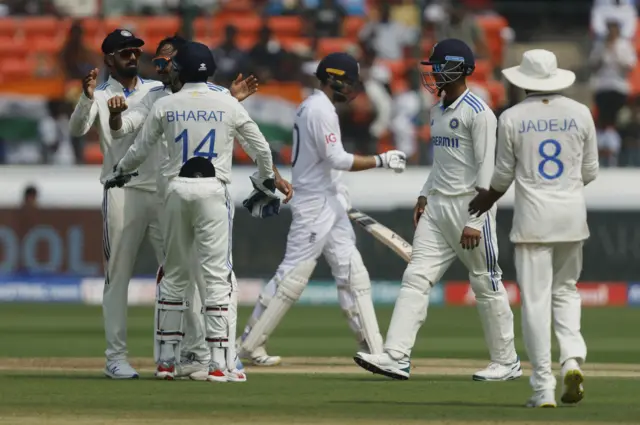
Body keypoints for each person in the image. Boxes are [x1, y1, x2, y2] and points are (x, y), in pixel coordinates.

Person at [107, 35, 292, 380]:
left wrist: (119, 173)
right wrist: (267, 179)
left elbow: (139, 149)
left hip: (175, 191)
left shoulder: (166, 104)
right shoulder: (227, 102)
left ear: (180, 69)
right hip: (213, 192)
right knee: (217, 277)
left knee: (174, 276)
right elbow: (262, 149)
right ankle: (220, 366)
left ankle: (165, 363)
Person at [354, 39, 520, 382]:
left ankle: (507, 362)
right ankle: (396, 356)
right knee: (416, 277)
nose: (434, 74)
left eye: (440, 67)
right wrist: (425, 193)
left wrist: (476, 219)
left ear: (460, 69)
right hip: (438, 208)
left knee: (486, 284)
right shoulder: (437, 111)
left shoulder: (479, 112)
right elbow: (442, 163)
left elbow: (487, 169)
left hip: (470, 209)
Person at [237, 52, 407, 366]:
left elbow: (326, 165)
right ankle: (248, 344)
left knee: (353, 273)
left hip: (327, 199)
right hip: (315, 204)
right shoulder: (319, 109)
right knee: (293, 275)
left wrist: (338, 194)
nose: (353, 88)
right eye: (349, 81)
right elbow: (336, 158)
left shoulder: (316, 106)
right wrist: (382, 160)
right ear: (333, 79)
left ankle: (375, 349)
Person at [468, 49, 599, 408]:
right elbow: (590, 171)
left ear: (523, 81)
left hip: (533, 222)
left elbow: (502, 175)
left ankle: (543, 388)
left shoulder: (512, 117)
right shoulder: (581, 113)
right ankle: (571, 359)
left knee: (536, 302)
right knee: (567, 291)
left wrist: (487, 199)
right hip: (572, 217)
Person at [68, 29, 165, 380]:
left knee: (175, 275)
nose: (133, 56)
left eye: (136, 51)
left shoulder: (156, 89)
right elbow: (77, 130)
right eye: (125, 52)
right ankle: (116, 357)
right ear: (109, 58)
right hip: (121, 191)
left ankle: (174, 354)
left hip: (160, 190)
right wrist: (85, 97)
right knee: (117, 276)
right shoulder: (100, 93)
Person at [589, 19, 636, 167]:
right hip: (602, 86)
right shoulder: (600, 45)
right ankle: (603, 150)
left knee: (615, 119)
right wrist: (603, 53)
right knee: (603, 119)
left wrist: (616, 53)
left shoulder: (624, 45)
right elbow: (593, 64)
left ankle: (616, 149)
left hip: (618, 86)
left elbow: (630, 65)